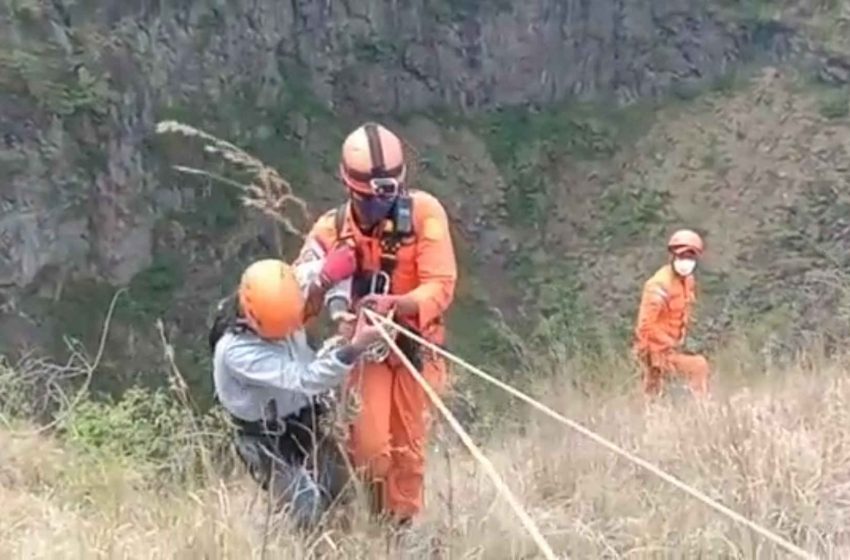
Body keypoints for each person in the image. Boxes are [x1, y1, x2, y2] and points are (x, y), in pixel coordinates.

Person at [296, 122, 457, 527]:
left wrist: (396, 302)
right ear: (350, 189)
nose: (377, 210)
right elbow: (297, 298)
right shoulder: (331, 230)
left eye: (384, 201)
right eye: (368, 202)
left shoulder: (424, 215)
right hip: (368, 352)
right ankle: (368, 504)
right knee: (371, 451)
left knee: (408, 450)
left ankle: (397, 528)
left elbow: (440, 284)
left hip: (415, 347)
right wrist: (324, 278)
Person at [210, 252, 384, 530]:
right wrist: (355, 347)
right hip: (266, 438)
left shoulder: (289, 285)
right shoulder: (236, 352)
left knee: (341, 490)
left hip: (303, 417)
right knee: (306, 510)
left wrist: (336, 298)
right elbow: (307, 379)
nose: (284, 335)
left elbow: (338, 265)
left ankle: (345, 546)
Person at [633, 229, 710, 398]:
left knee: (653, 397)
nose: (686, 261)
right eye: (682, 257)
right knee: (698, 366)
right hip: (654, 352)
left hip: (670, 349)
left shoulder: (687, 281)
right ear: (672, 257)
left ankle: (654, 417)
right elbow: (645, 326)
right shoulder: (659, 285)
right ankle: (702, 411)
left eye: (691, 257)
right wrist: (665, 345)